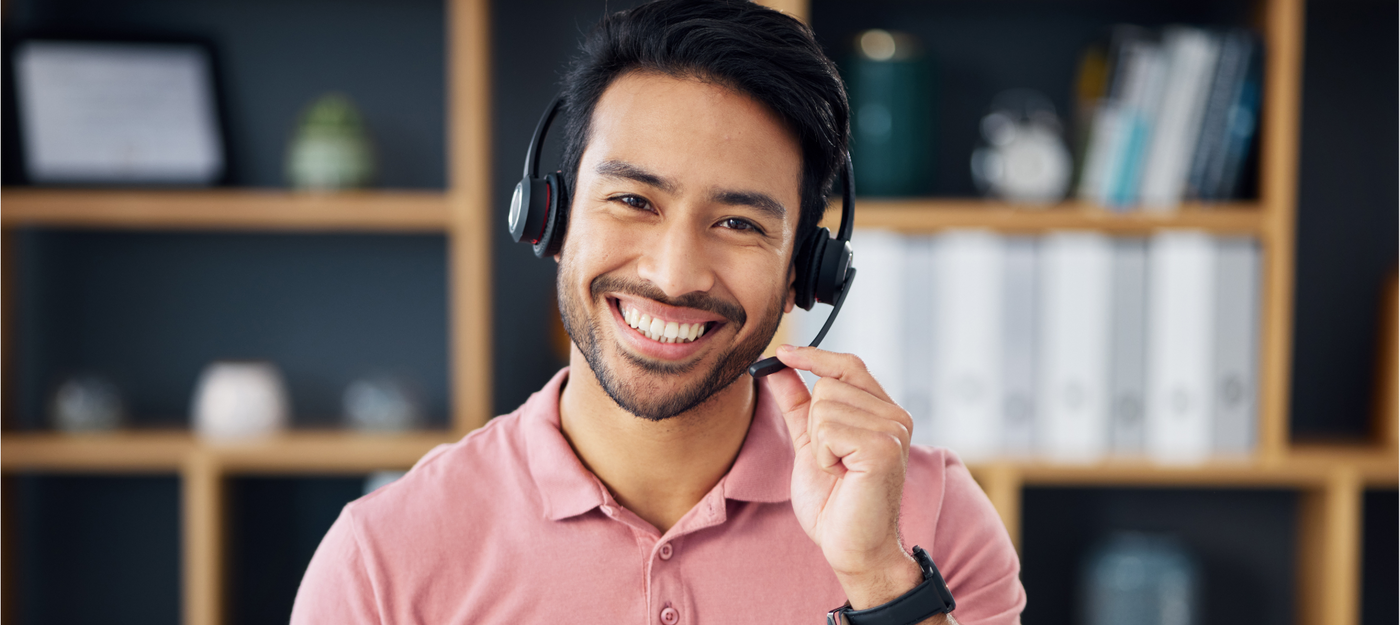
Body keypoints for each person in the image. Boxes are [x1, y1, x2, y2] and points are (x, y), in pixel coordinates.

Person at [292, 1, 1025, 623]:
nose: (674, 274)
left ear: (808, 269)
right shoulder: (381, 560)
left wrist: (879, 581)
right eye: (634, 201)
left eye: (739, 222)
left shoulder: (930, 519)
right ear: (550, 217)